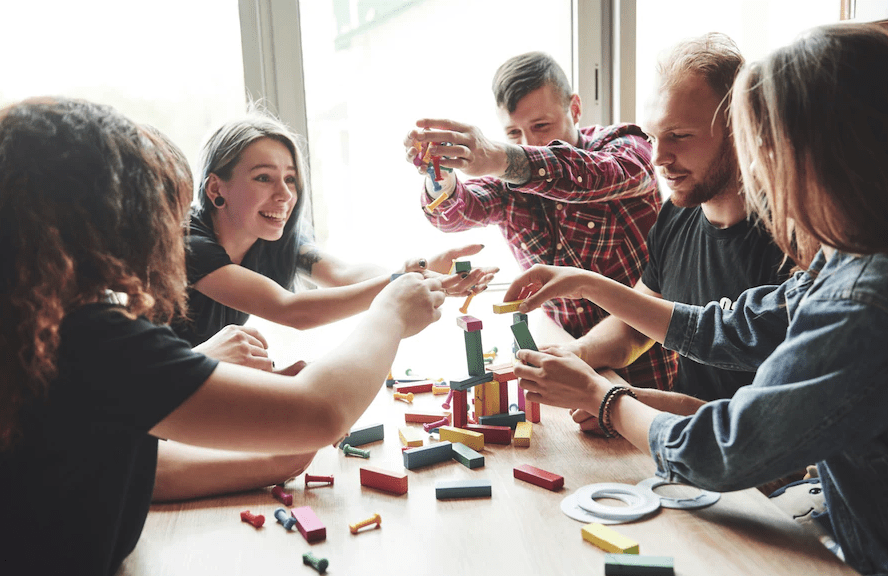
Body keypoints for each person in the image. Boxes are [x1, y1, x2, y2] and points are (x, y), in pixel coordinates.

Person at [0, 97, 444, 575]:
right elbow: (320, 411)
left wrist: (276, 458)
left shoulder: (41, 320)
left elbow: (141, 469)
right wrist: (393, 313)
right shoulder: (95, 337)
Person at [506, 23, 888, 575]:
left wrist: (606, 398)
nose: (761, 172)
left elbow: (729, 447)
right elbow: (731, 328)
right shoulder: (847, 259)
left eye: (766, 148)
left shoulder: (862, 299)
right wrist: (586, 284)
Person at [404, 51, 676, 393]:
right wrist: (439, 176)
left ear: (574, 109)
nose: (530, 143)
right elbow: (455, 212)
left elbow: (596, 175)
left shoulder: (626, 146)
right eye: (514, 133)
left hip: (656, 373)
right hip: (565, 371)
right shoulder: (508, 186)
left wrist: (503, 157)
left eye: (541, 127)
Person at [563, 33, 792, 434]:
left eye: (680, 136)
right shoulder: (675, 214)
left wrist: (625, 405)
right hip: (681, 442)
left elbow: (774, 431)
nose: (657, 158)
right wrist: (574, 355)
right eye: (653, 136)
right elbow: (636, 325)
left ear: (740, 128)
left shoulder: (794, 239)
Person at [176, 109, 496, 348]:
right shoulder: (190, 242)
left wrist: (419, 274)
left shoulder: (269, 236)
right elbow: (291, 311)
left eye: (290, 178)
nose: (285, 194)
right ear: (216, 189)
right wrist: (403, 281)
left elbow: (343, 273)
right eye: (263, 177)